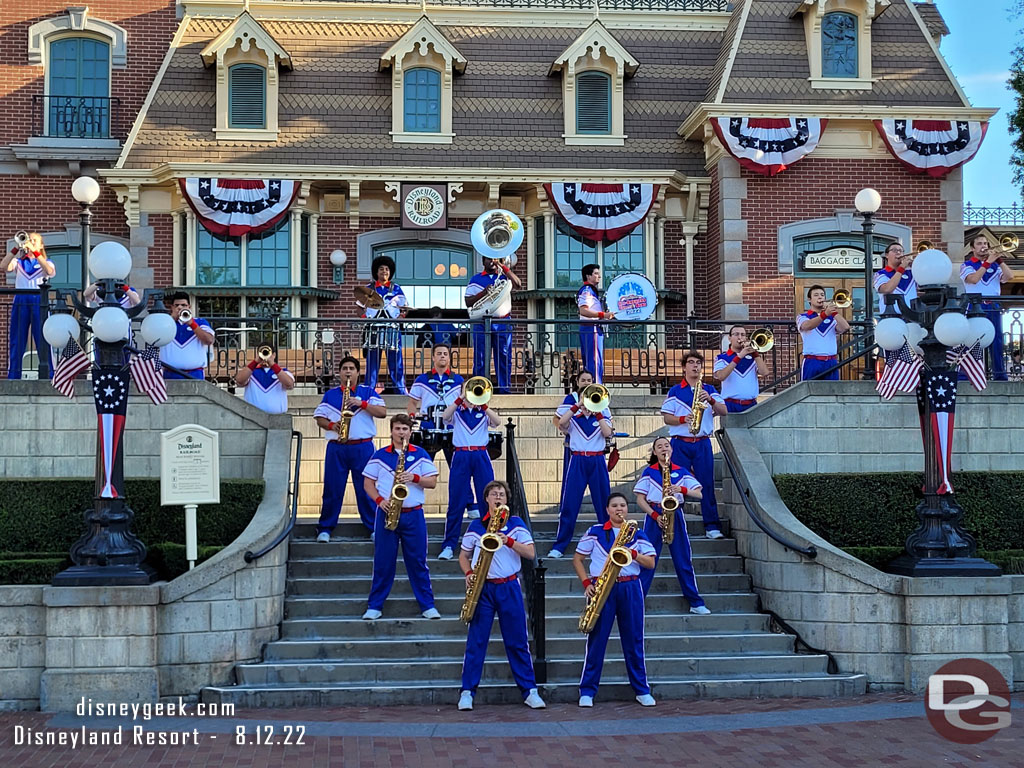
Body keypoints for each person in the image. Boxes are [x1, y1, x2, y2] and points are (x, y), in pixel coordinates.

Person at [457, 480, 546, 711]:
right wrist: (468, 573)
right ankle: (467, 691)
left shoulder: (515, 523)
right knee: (476, 641)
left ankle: (529, 690)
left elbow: (530, 552)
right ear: (486, 499)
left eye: (502, 495)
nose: (498, 498)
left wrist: (509, 540)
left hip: (508, 586)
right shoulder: (476, 526)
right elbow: (463, 556)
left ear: (506, 501)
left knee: (517, 640)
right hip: (483, 588)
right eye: (494, 494)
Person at [573, 493, 657, 708]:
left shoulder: (637, 533)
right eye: (614, 506)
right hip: (602, 587)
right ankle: (587, 691)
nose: (619, 509)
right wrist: (586, 583)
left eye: (622, 505)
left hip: (630, 586)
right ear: (608, 510)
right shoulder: (595, 532)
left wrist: (633, 553)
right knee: (597, 639)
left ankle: (641, 689)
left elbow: (650, 563)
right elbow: (577, 559)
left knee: (634, 639)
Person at [362, 414, 441, 621]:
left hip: (413, 514)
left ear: (410, 432)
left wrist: (414, 477)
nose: (401, 432)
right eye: (397, 429)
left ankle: (427, 605)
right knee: (383, 561)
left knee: (418, 561)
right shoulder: (379, 455)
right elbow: (367, 484)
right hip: (386, 513)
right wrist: (380, 501)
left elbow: (432, 482)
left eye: (405, 429)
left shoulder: (421, 453)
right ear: (391, 431)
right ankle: (375, 605)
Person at [313, 356, 387, 540]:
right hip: (337, 447)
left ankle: (373, 527)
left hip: (362, 447)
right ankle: (325, 528)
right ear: (339, 373)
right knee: (332, 488)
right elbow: (319, 418)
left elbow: (383, 413)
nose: (347, 371)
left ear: (357, 372)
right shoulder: (331, 394)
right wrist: (332, 426)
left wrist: (361, 403)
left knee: (366, 488)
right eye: (344, 368)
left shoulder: (368, 392)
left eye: (351, 368)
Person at [634, 436, 708, 614]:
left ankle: (695, 602)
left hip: (675, 514)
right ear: (654, 452)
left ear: (671, 449)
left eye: (666, 445)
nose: (663, 449)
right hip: (654, 516)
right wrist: (654, 515)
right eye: (659, 447)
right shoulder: (649, 472)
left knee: (683, 560)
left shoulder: (680, 471)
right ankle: (637, 602)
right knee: (647, 560)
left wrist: (680, 489)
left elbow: (700, 495)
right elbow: (639, 499)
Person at [661, 351, 728, 540]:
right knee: (675, 485)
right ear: (684, 367)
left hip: (702, 443)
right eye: (691, 363)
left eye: (698, 363)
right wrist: (683, 418)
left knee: (706, 484)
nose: (695, 366)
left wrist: (712, 399)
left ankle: (712, 526)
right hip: (680, 443)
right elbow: (667, 418)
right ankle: (675, 526)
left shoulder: (709, 389)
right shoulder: (675, 391)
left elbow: (724, 411)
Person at [548, 372, 614, 559]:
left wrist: (598, 410)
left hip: (597, 460)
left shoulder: (603, 413)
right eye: (583, 380)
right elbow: (561, 422)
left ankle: (608, 542)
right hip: (577, 460)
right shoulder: (574, 417)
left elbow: (608, 432)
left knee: (604, 503)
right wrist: (578, 405)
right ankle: (560, 545)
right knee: (570, 503)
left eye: (589, 380)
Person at [437, 378, 502, 560]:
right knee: (456, 500)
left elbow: (497, 421)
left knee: (487, 498)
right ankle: (449, 544)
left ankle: (487, 539)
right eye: (468, 390)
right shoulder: (457, 411)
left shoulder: (483, 412)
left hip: (481, 454)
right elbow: (444, 417)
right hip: (461, 455)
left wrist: (484, 405)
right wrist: (460, 399)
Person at [464, 256, 522, 394]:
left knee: (504, 356)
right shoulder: (476, 279)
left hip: (503, 322)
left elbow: (518, 284)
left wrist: (504, 267)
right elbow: (468, 302)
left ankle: (504, 388)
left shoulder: (504, 277)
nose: (493, 262)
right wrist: (484, 292)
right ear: (483, 261)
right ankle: (479, 390)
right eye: (490, 259)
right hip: (482, 322)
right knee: (481, 357)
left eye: (496, 259)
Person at [961, 235, 1016, 381]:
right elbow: (973, 279)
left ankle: (999, 373)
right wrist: (987, 263)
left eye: (985, 243)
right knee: (971, 339)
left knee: (996, 339)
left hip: (993, 304)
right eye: (979, 244)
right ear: (972, 248)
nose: (983, 246)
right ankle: (968, 373)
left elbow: (1009, 276)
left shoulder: (995, 265)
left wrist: (999, 260)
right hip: (974, 305)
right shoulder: (967, 265)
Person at [3, 232, 55, 379]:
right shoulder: (19, 262)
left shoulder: (47, 261)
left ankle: (49, 375)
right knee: (17, 339)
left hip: (39, 301)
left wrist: (35, 251)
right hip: (21, 301)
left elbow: (50, 271)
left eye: (34, 240)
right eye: (29, 240)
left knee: (43, 339)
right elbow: (4, 266)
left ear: (41, 245)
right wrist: (15, 249)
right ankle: (13, 375)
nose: (30, 242)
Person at [407, 342, 463, 469]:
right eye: (439, 354)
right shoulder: (421, 379)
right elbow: (412, 403)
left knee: (457, 470)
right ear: (433, 357)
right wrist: (412, 416)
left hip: (452, 428)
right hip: (428, 426)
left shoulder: (459, 380)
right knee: (422, 468)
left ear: (449, 358)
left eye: (445, 354)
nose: (442, 356)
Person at [359, 255, 408, 394]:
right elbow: (358, 307)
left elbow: (404, 308)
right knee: (372, 362)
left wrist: (400, 317)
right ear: (376, 272)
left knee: (395, 361)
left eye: (387, 269)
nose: (384, 272)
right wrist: (365, 317)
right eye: (381, 269)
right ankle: (369, 389)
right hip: (373, 329)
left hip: (391, 329)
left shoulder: (396, 288)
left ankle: (400, 389)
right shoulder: (369, 288)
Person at [797, 285, 850, 381]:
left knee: (832, 393)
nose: (820, 297)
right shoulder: (803, 316)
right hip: (812, 361)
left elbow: (845, 327)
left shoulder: (832, 318)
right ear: (809, 300)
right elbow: (807, 326)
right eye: (816, 295)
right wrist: (824, 314)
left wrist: (833, 313)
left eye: (822, 295)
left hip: (831, 361)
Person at [160, 292, 216, 380]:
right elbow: (156, 337)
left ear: (189, 307)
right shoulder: (165, 323)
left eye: (183, 305)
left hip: (195, 373)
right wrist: (171, 319)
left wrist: (191, 324)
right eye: (176, 305)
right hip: (170, 374)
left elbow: (209, 340)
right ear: (172, 307)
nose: (180, 308)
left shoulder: (200, 322)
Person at [713, 326, 767, 413]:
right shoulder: (722, 358)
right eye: (736, 334)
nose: (740, 337)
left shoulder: (753, 357)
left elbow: (765, 372)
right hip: (730, 405)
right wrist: (739, 356)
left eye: (743, 335)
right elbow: (721, 376)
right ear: (729, 338)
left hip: (751, 404)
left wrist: (755, 353)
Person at [577, 264, 613, 384]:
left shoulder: (589, 291)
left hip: (590, 329)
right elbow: (583, 310)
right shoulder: (587, 291)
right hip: (591, 329)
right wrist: (603, 315)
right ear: (588, 276)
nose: (599, 276)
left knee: (592, 360)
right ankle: (595, 388)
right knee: (594, 361)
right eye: (596, 273)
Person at [234, 347, 295, 415]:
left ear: (274, 355)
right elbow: (239, 380)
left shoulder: (283, 372)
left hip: (278, 418)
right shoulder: (250, 372)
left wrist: (272, 364)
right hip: (253, 417)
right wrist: (255, 361)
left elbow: (289, 384)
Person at [873, 243, 916, 314]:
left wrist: (918, 266)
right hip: (891, 318)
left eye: (901, 251)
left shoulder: (911, 272)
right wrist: (901, 268)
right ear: (887, 255)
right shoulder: (880, 274)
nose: (898, 253)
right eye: (894, 250)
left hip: (912, 317)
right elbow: (887, 289)